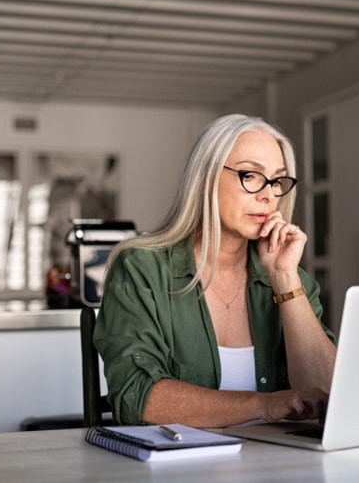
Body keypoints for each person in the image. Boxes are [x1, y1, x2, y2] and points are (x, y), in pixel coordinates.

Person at [94, 113, 337, 428]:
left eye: (277, 181)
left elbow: (331, 396)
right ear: (206, 177)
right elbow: (137, 398)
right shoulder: (142, 269)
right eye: (250, 175)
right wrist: (265, 405)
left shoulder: (290, 278)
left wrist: (284, 279)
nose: (269, 195)